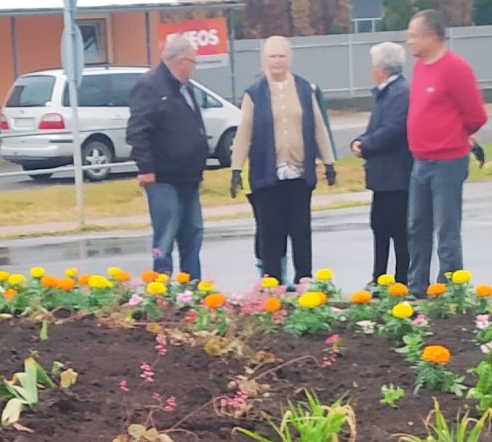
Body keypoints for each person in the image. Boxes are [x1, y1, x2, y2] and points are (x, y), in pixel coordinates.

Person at [230, 35, 337, 286]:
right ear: (264, 60)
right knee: (271, 231)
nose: (277, 61)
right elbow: (244, 132)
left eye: (281, 56)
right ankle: (273, 283)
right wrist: (236, 169)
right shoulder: (254, 93)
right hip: (267, 174)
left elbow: (318, 126)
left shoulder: (304, 89)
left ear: (289, 58)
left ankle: (304, 280)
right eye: (272, 56)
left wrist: (329, 162)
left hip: (298, 173)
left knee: (301, 229)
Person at [404, 6, 487, 291]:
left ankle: (450, 288)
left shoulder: (456, 69)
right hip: (420, 160)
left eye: (413, 35)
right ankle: (417, 285)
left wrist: (455, 135)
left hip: (447, 161)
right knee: (417, 225)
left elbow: (476, 115)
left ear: (431, 36)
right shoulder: (420, 67)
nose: (409, 41)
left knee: (446, 227)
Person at [126, 33, 211, 281]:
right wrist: (145, 168)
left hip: (189, 176)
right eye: (193, 62)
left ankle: (191, 285)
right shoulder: (150, 86)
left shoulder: (185, 88)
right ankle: (161, 287)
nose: (194, 67)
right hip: (163, 177)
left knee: (193, 232)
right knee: (166, 233)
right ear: (181, 61)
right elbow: (137, 131)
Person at [352, 42, 411, 285]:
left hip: (396, 175)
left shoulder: (400, 93)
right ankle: (379, 277)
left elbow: (394, 129)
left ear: (381, 69)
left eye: (373, 65)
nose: (371, 69)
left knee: (398, 229)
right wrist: (360, 140)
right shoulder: (385, 92)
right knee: (379, 226)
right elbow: (375, 128)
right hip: (383, 176)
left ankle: (401, 279)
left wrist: (365, 145)